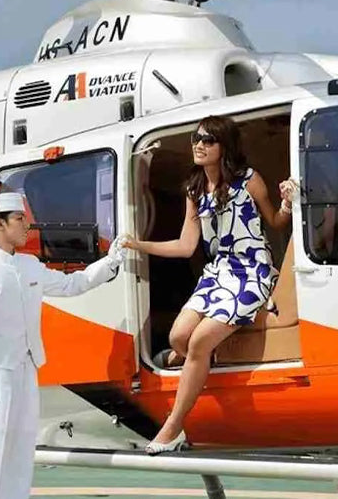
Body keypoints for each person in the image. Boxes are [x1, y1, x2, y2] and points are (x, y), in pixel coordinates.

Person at [123, 115, 296, 454]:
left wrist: (288, 202)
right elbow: (186, 246)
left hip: (252, 271)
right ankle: (193, 359)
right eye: (196, 139)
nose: (198, 145)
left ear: (224, 146)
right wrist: (137, 244)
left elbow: (276, 222)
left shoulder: (249, 180)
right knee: (178, 337)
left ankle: (173, 427)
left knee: (200, 341)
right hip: (218, 273)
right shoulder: (194, 190)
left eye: (208, 140)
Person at [0, 191, 127, 499]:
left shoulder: (29, 265)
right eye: (19, 219)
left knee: (22, 449)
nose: (27, 225)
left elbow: (71, 284)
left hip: (26, 369)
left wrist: (111, 261)